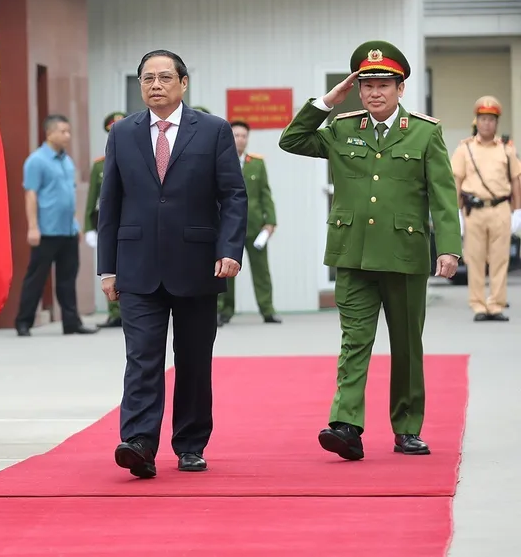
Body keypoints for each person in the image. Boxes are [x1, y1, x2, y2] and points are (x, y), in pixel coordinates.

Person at [279, 40, 460, 461]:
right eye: (367, 85)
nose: (375, 93)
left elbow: (443, 195)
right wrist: (327, 101)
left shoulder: (424, 131)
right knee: (354, 341)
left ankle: (407, 427)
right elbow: (292, 140)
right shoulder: (343, 127)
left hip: (404, 254)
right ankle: (346, 425)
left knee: (407, 346)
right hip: (352, 255)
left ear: (400, 88)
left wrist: (448, 248)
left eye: (383, 84)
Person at [98, 49, 246, 478]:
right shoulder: (122, 133)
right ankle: (139, 442)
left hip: (199, 264)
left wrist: (229, 250)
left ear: (184, 84)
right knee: (142, 356)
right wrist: (108, 268)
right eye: (148, 79)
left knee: (194, 360)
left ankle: (190, 443)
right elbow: (110, 203)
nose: (156, 85)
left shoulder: (213, 130)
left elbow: (233, 195)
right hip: (137, 264)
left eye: (165, 77)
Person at [15, 114, 96, 336]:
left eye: (68, 131)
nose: (67, 136)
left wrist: (75, 224)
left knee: (67, 279)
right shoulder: (36, 161)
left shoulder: (67, 161)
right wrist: (33, 226)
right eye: (63, 131)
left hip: (67, 230)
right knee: (37, 278)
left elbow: (68, 195)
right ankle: (23, 322)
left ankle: (72, 323)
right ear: (49, 133)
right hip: (46, 230)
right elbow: (30, 194)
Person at [450, 96, 519, 322]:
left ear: (496, 122)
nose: (487, 123)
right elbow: (457, 182)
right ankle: (479, 305)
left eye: (491, 119)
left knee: (500, 260)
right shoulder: (465, 149)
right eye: (483, 118)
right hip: (474, 210)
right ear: (476, 120)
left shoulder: (507, 149)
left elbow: (516, 181)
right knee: (475, 259)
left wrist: (517, 210)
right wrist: (456, 213)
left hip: (500, 208)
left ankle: (496, 304)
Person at [217, 120, 281, 325]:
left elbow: (265, 194)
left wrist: (270, 222)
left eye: (244, 136)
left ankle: (267, 310)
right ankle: (224, 310)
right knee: (225, 270)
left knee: (261, 270)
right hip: (227, 227)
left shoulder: (257, 163)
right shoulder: (220, 161)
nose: (240, 139)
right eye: (236, 135)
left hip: (254, 226)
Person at [84, 111, 126, 328]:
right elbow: (93, 197)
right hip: (108, 223)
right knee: (109, 268)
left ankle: (127, 310)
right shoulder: (100, 165)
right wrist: (89, 227)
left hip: (130, 222)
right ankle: (114, 312)